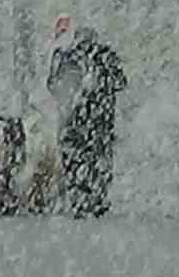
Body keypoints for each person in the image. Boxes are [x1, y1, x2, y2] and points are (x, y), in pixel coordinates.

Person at [46, 18, 127, 218]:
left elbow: (53, 84)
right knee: (99, 159)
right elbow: (121, 82)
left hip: (72, 119)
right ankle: (97, 199)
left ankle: (78, 198)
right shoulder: (106, 56)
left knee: (74, 159)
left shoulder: (67, 56)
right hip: (100, 120)